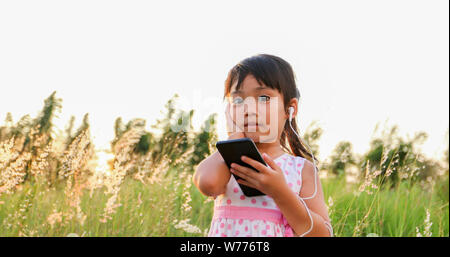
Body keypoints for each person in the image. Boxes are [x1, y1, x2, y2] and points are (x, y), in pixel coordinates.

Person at [192, 54, 333, 237]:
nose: (249, 109)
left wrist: (280, 192)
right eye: (238, 101)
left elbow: (322, 234)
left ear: (290, 109)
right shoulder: (227, 162)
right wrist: (234, 137)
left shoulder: (301, 170)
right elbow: (208, 183)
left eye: (264, 98)